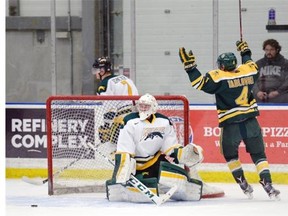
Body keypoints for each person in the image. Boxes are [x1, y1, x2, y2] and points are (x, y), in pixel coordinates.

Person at [178, 41, 280, 200]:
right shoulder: (249, 71)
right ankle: (267, 182)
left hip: (231, 123)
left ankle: (242, 182)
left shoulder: (219, 77)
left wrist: (190, 67)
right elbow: (249, 62)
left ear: (223, 66)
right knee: (259, 154)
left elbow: (198, 83)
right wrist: (245, 52)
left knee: (230, 155)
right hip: (251, 121)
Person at [106, 93, 223, 203]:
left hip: (155, 162)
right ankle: (122, 190)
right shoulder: (130, 121)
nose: (142, 108)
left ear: (153, 107)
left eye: (146, 106)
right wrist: (123, 173)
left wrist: (185, 154)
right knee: (146, 187)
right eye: (140, 106)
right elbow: (125, 150)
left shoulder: (164, 121)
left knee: (180, 180)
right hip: (136, 167)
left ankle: (194, 188)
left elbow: (170, 147)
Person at [92, 57, 139, 146]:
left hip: (123, 118)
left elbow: (109, 109)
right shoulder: (124, 77)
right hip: (139, 115)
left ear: (102, 71)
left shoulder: (104, 85)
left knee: (114, 146)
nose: (95, 74)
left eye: (96, 70)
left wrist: (106, 126)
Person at [253, 39, 288, 103]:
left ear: (277, 50)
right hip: (261, 95)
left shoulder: (285, 63)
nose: (269, 52)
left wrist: (277, 92)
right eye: (267, 50)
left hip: (280, 95)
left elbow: (287, 82)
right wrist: (257, 92)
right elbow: (253, 80)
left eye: (271, 50)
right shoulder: (258, 64)